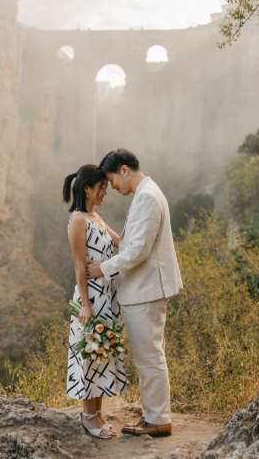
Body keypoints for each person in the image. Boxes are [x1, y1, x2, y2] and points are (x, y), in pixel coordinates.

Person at [85, 148, 183, 438]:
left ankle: (158, 420)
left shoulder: (147, 197)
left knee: (149, 356)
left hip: (146, 289)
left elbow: (138, 251)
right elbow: (134, 243)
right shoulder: (147, 193)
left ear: (124, 170)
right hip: (145, 288)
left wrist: (103, 268)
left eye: (112, 179)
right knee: (147, 355)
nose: (111, 187)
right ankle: (153, 415)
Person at [63, 164, 126, 439]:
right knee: (90, 354)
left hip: (106, 296)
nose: (105, 191)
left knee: (103, 353)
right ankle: (88, 416)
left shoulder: (96, 217)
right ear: (87, 188)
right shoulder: (78, 220)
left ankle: (97, 414)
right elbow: (79, 267)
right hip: (90, 297)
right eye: (101, 186)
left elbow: (120, 243)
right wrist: (86, 305)